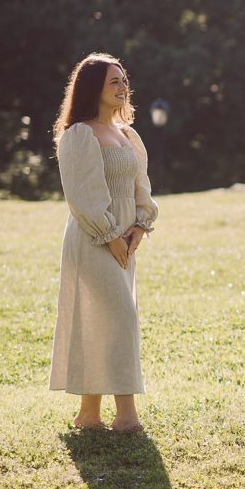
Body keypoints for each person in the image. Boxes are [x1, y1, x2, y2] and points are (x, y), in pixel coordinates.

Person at [50, 53, 158, 433]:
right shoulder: (79, 134)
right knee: (118, 318)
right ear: (93, 87)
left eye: (124, 79)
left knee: (103, 320)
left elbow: (140, 187)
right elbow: (83, 195)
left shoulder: (128, 134)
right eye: (114, 81)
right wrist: (111, 236)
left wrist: (140, 226)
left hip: (125, 239)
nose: (123, 86)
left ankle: (88, 414)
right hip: (92, 239)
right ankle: (126, 416)